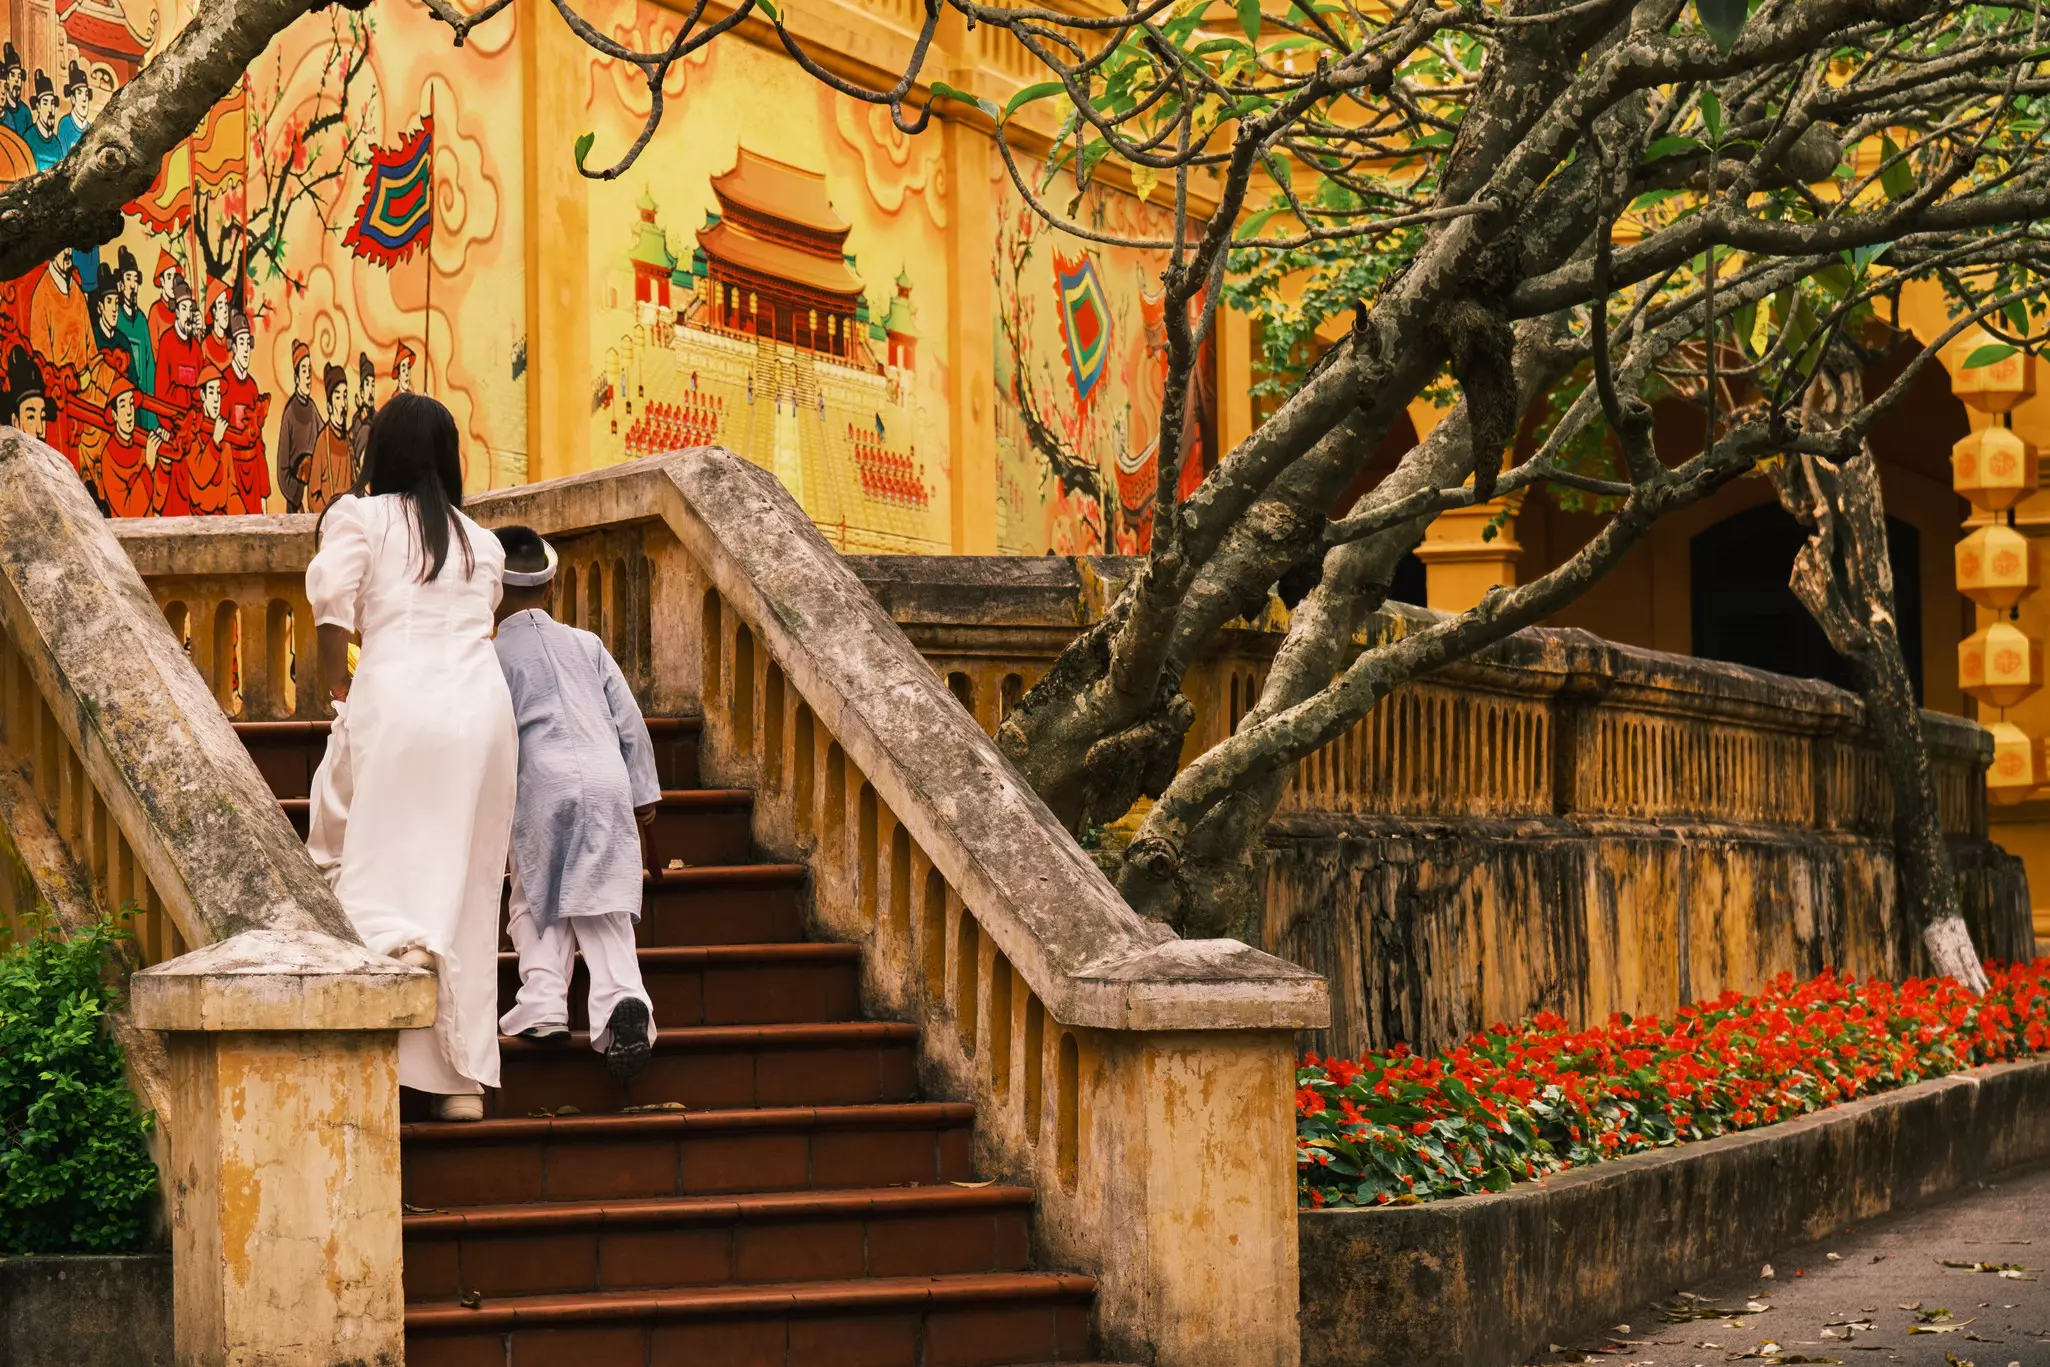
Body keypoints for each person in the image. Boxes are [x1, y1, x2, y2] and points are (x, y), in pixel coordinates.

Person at [304, 392, 516, 1122]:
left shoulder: (359, 517)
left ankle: (398, 955)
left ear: (381, 453)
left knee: (369, 860)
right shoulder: (483, 543)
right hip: (482, 712)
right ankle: (460, 1082)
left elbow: (331, 599)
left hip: (397, 696)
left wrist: (337, 682)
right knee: (468, 886)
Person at [491, 525, 658, 1081]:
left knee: (536, 895)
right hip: (607, 778)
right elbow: (629, 721)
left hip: (541, 783)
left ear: (492, 588)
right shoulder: (588, 645)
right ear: (550, 585)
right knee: (603, 900)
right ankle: (622, 999)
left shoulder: (491, 657)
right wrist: (643, 793)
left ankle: (543, 1002)